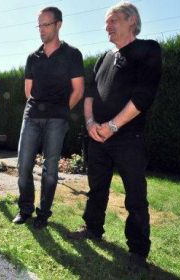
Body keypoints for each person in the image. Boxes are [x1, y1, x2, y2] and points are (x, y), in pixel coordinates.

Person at [68, 1, 162, 272]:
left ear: (132, 21)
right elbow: (90, 95)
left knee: (135, 195)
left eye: (113, 20)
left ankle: (138, 251)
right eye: (106, 22)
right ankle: (93, 228)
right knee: (96, 187)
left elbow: (143, 97)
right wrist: (90, 123)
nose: (106, 26)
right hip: (97, 136)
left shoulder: (148, 50)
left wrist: (112, 126)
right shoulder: (103, 58)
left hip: (127, 136)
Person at [12, 6, 85, 229]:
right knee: (23, 165)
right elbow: (28, 91)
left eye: (46, 25)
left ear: (58, 25)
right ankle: (25, 209)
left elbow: (78, 90)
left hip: (57, 119)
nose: (42, 30)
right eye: (39, 25)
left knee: (50, 170)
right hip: (32, 116)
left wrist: (61, 110)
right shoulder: (32, 57)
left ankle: (43, 214)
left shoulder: (72, 54)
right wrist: (39, 109)